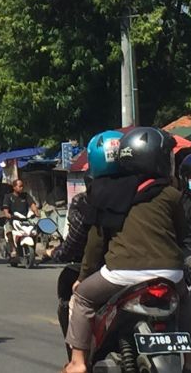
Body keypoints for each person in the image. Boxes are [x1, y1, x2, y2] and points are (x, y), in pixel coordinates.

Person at [64, 127, 191, 373]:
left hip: (122, 275)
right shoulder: (170, 193)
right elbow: (182, 233)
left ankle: (77, 363)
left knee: (83, 298)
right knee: (183, 299)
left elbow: (95, 244)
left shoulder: (104, 192)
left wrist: (82, 278)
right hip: (169, 274)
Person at [54, 130, 122, 350]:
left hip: (112, 270)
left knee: (77, 298)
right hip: (159, 268)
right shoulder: (147, 192)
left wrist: (57, 254)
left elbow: (88, 243)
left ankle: (78, 359)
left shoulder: (87, 201)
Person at [2, 178, 41, 256]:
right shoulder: (8, 197)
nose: (21, 188)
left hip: (25, 220)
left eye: (22, 186)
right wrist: (7, 214)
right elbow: (5, 209)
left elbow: (33, 205)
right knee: (9, 231)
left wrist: (36, 213)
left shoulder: (26, 195)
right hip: (12, 220)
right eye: (19, 186)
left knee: (35, 232)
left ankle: (33, 248)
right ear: (14, 187)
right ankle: (13, 249)